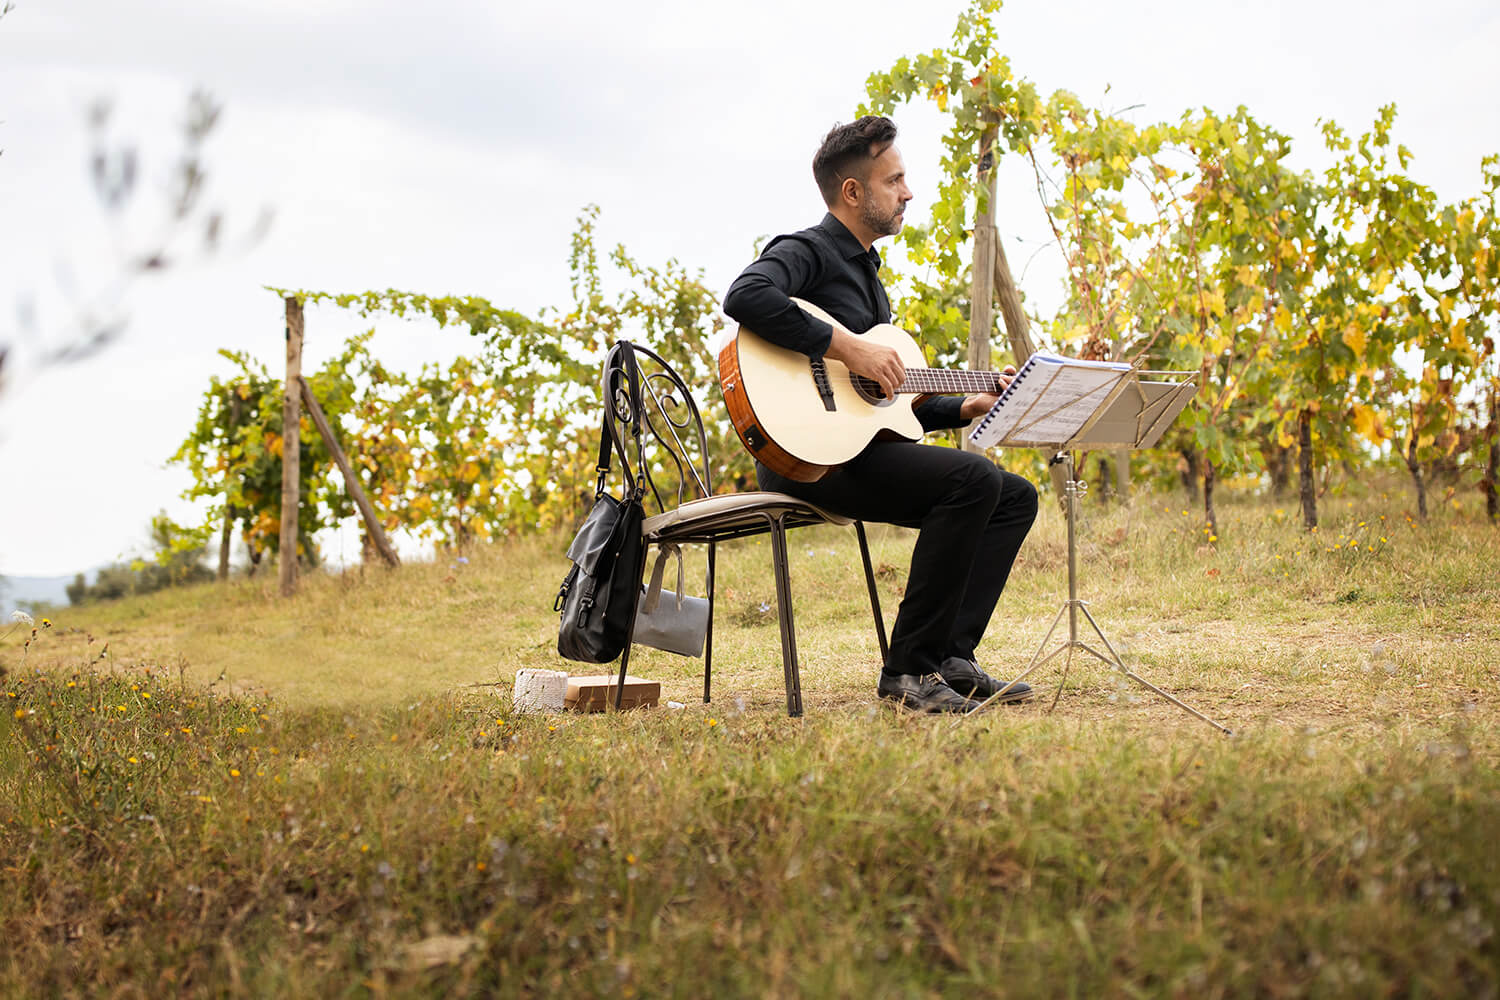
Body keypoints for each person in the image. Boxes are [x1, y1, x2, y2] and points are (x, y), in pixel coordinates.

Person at [722, 115, 1038, 714]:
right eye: (895, 181)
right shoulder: (806, 251)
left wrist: (961, 405)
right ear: (853, 192)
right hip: (808, 457)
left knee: (1014, 495)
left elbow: (888, 407)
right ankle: (908, 673)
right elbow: (745, 296)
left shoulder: (869, 276)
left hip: (860, 449)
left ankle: (949, 658)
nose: (908, 193)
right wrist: (846, 346)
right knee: (973, 480)